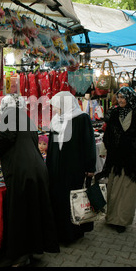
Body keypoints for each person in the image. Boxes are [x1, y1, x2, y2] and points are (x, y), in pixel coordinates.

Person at [0, 94, 59, 266]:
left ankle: (20, 255)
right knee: (34, 209)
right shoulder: (25, 117)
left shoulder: (10, 115)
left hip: (23, 171)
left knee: (20, 211)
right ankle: (35, 248)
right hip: (35, 168)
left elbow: (7, 138)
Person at [46, 91, 96, 245]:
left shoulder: (81, 118)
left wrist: (90, 166)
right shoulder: (56, 120)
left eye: (57, 106)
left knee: (72, 199)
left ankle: (73, 232)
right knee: (58, 200)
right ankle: (60, 233)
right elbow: (52, 146)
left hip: (73, 167)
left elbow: (88, 143)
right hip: (56, 169)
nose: (54, 109)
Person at [102, 87, 136, 233]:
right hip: (115, 160)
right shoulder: (114, 113)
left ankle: (122, 221)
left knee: (127, 193)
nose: (120, 100)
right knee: (113, 189)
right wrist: (107, 148)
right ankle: (111, 217)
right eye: (119, 97)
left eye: (123, 97)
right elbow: (108, 134)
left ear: (130, 98)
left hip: (132, 161)